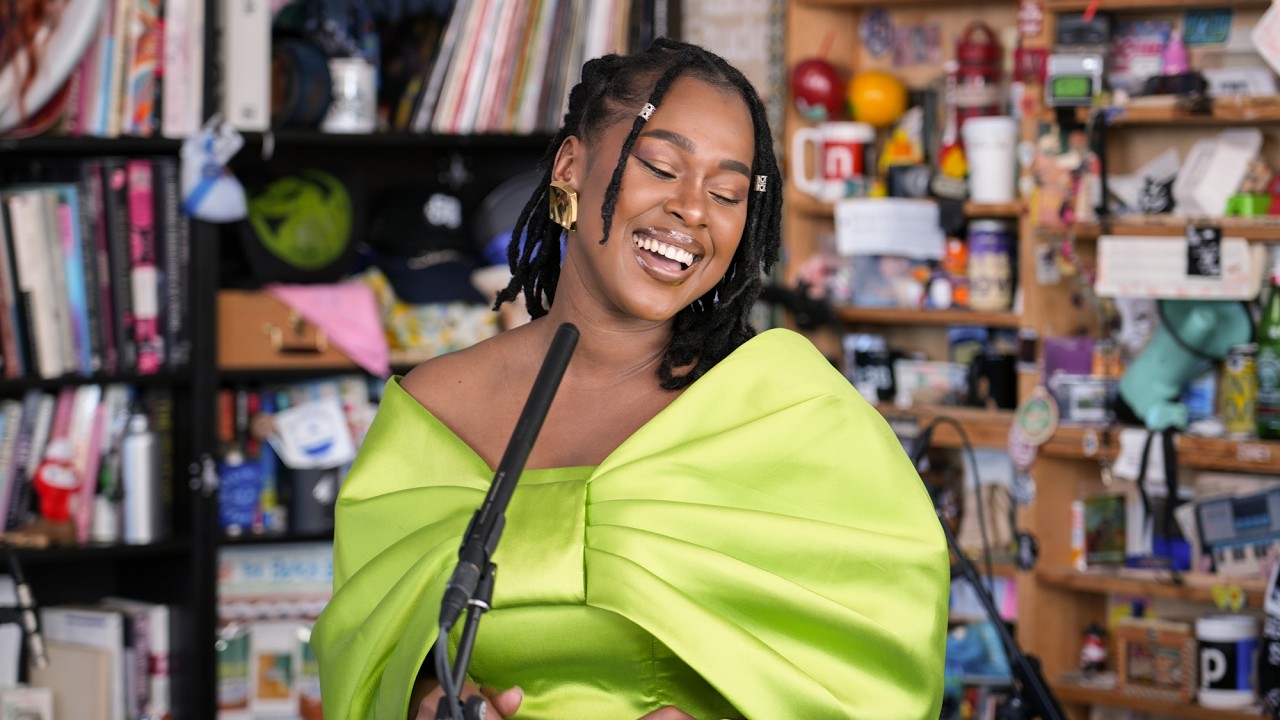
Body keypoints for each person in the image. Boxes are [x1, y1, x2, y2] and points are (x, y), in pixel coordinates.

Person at [311, 38, 949, 719]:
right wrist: (425, 700)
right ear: (570, 168)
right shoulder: (428, 412)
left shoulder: (789, 412)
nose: (693, 209)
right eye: (662, 166)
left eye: (728, 192)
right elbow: (362, 652)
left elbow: (882, 673)